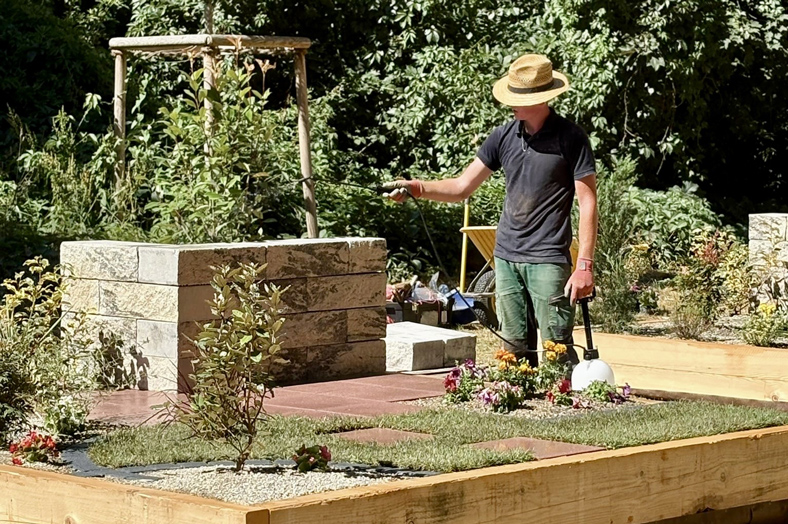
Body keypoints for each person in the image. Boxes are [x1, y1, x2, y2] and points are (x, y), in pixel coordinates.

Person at [382, 53, 598, 367]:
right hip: (506, 257)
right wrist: (416, 187)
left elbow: (587, 200)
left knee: (556, 347)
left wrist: (584, 266)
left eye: (517, 97)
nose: (510, 104)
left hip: (548, 259)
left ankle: (563, 402)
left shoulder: (572, 138)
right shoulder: (503, 136)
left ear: (540, 98)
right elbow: (461, 187)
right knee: (512, 347)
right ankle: (516, 400)